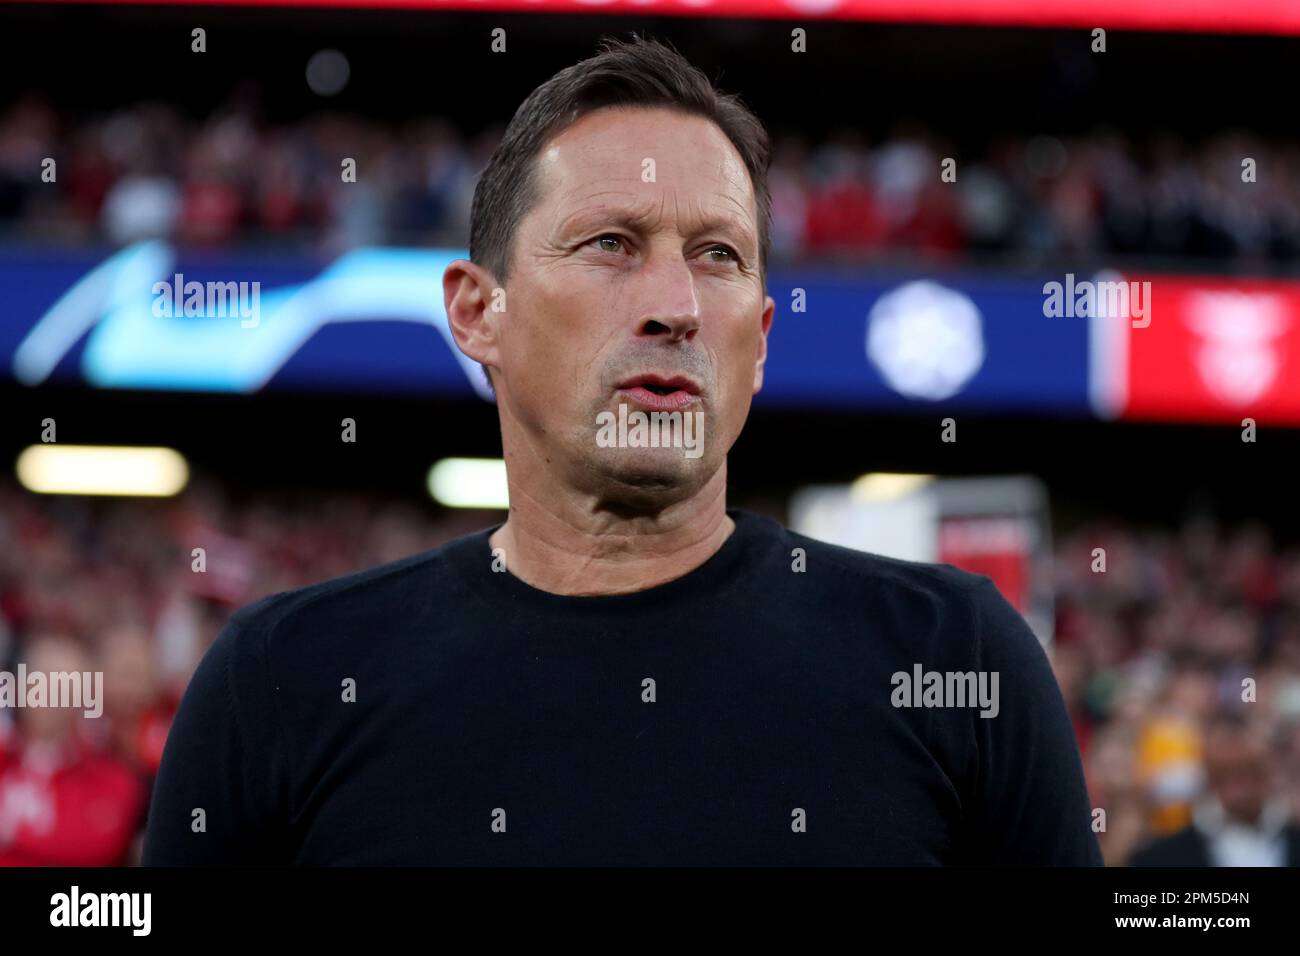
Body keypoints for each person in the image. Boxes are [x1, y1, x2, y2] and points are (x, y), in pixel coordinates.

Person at [144, 35, 1100, 865]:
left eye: (718, 255)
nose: (675, 306)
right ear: (479, 312)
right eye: (609, 242)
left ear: (761, 338)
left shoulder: (958, 658)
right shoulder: (279, 680)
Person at [1129, 712, 1300, 866]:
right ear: (1209, 776)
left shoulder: (1292, 839)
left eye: (1247, 771)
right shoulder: (1161, 857)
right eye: (1225, 773)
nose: (1238, 785)